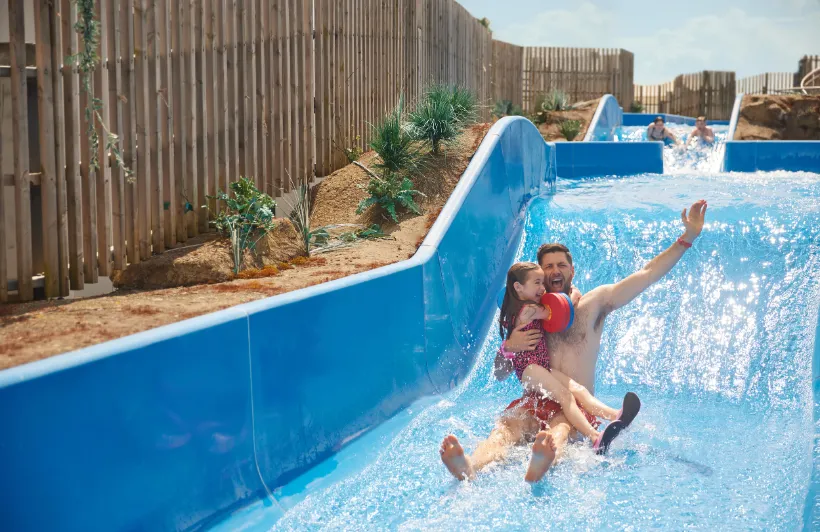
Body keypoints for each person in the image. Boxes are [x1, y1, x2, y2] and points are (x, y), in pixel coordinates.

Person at [440, 200, 708, 483]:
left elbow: (647, 274)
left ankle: (542, 463)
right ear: (539, 278)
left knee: (561, 431)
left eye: (562, 265)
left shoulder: (594, 304)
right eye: (548, 267)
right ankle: (469, 466)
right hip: (535, 399)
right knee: (505, 429)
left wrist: (687, 238)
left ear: (572, 271)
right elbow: (500, 374)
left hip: (573, 413)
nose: (555, 271)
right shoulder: (530, 314)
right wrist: (511, 347)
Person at [497, 262, 634, 454]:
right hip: (529, 368)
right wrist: (572, 296)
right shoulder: (527, 310)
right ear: (518, 287)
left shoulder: (526, 305)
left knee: (578, 390)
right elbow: (557, 310)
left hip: (541, 365)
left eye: (542, 283)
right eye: (537, 282)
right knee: (566, 396)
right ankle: (595, 437)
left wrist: (567, 296)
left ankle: (616, 416)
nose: (542, 288)